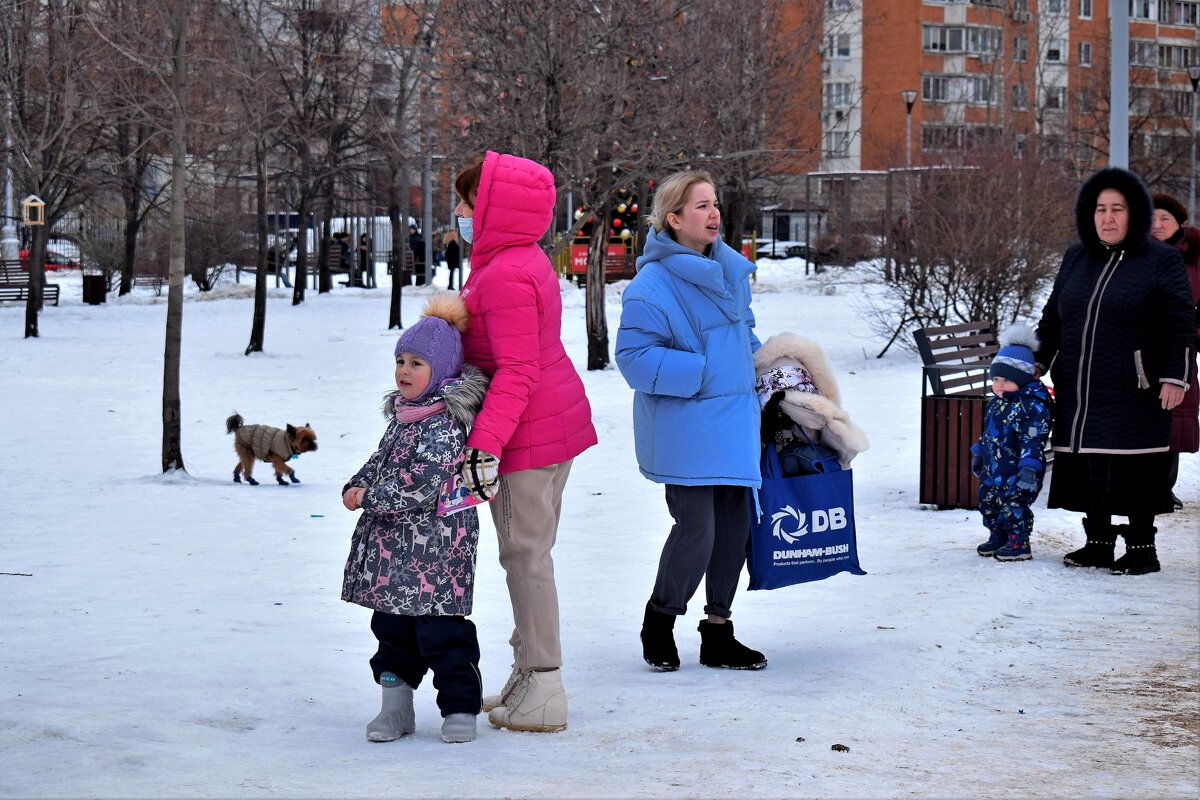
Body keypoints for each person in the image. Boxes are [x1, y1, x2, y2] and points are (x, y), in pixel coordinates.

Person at [451, 151, 597, 733]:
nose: (461, 213)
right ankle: (527, 674)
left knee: (525, 557)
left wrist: (484, 445)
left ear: (491, 208)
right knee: (529, 554)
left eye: (467, 202)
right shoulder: (516, 259)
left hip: (524, 435)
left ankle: (544, 682)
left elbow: (516, 370)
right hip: (546, 422)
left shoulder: (505, 273)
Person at [614, 169, 767, 674]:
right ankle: (659, 621)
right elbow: (634, 357)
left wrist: (770, 372)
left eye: (715, 203)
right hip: (686, 427)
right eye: (701, 206)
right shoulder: (651, 285)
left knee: (735, 528)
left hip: (734, 421)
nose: (714, 213)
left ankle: (718, 631)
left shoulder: (729, 272)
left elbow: (742, 337)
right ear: (674, 219)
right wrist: (700, 372)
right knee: (697, 530)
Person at [340, 292, 491, 744]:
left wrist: (372, 496)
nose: (404, 371)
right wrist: (357, 482)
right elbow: (380, 460)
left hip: (437, 552)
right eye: (400, 360)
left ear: (441, 371)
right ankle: (395, 706)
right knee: (390, 630)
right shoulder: (404, 416)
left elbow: (420, 484)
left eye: (416, 363)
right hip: (392, 551)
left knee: (442, 631)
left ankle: (460, 708)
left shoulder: (446, 421)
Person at [1033, 167, 1194, 576]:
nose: (1107, 217)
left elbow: (1180, 320)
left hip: (1136, 385)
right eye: (1100, 209)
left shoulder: (1162, 260)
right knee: (1089, 466)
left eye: (1117, 209)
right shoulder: (1076, 258)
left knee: (1136, 468)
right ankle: (1098, 543)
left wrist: (1175, 376)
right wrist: (1034, 361)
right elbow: (1053, 318)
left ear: (1134, 213)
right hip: (1080, 385)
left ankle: (1142, 549)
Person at [968, 324, 1052, 562]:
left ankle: (1019, 542)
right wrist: (980, 453)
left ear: (1023, 378)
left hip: (1020, 470)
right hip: (995, 468)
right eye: (995, 378)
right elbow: (988, 433)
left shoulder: (1033, 405)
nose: (999, 384)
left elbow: (1033, 438)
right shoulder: (996, 403)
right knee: (989, 503)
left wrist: (1029, 468)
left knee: (1014, 506)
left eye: (1006, 379)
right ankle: (999, 535)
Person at [1150, 193, 1200, 510]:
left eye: (1164, 219)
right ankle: (1141, 487)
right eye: (1151, 219)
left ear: (1178, 222)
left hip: (1180, 350)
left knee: (1172, 419)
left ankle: (1163, 488)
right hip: (1139, 352)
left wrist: (1191, 333)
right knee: (1142, 419)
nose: (1157, 225)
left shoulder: (1195, 257)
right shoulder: (1133, 253)